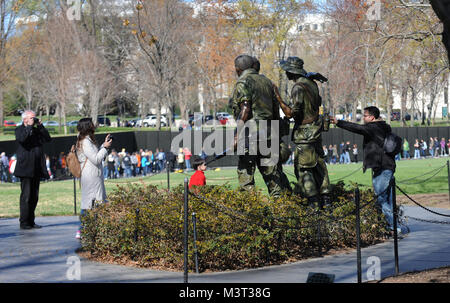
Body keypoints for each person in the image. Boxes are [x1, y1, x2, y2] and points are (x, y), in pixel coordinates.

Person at [330, 106, 405, 234]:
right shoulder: (384, 127)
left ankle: (394, 227)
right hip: (387, 166)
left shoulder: (373, 128)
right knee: (388, 200)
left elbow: (357, 128)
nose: (363, 118)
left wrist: (338, 122)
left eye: (365, 116)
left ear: (372, 117)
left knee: (381, 199)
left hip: (382, 168)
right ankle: (390, 225)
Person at [230, 54, 291, 197]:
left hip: (249, 136)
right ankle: (284, 211)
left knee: (246, 177)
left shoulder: (243, 82)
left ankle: (253, 213)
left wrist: (236, 136)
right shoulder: (267, 82)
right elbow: (276, 111)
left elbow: (245, 109)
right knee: (274, 179)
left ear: (238, 69)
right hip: (270, 135)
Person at [275, 56, 331, 205]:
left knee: (303, 169)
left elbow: (291, 113)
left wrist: (279, 99)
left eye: (287, 70)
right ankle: (326, 200)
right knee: (319, 166)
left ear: (292, 72)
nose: (286, 73)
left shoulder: (298, 87)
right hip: (315, 131)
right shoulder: (311, 84)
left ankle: (313, 203)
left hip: (305, 134)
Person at [75, 118, 112, 239]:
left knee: (93, 203)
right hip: (90, 177)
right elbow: (96, 159)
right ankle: (82, 229)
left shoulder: (87, 140)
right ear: (87, 126)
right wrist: (105, 148)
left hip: (93, 175)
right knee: (89, 203)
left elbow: (94, 155)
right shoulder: (85, 141)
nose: (94, 125)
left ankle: (91, 228)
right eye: (91, 124)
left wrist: (103, 145)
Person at [14, 110, 51, 229]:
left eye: (34, 118)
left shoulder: (36, 130)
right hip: (25, 168)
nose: (33, 120)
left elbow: (48, 139)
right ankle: (24, 222)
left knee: (34, 196)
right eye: (31, 118)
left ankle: (31, 221)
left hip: (36, 167)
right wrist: (29, 126)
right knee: (26, 196)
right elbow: (22, 139)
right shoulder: (19, 129)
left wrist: (40, 126)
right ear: (25, 119)